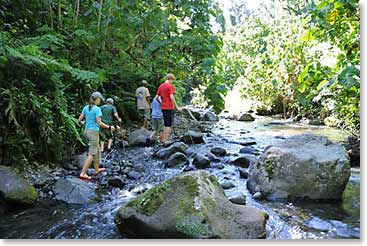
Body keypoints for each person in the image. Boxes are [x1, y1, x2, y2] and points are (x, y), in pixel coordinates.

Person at [77, 92, 115, 180]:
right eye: (99, 99)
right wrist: (109, 127)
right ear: (97, 99)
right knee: (92, 153)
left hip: (86, 131)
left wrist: (83, 123)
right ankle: (83, 173)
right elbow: (99, 123)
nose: (100, 101)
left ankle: (96, 169)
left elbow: (79, 121)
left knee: (97, 149)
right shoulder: (97, 109)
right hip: (93, 132)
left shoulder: (86, 108)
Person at [155, 73, 181, 146]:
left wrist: (162, 103)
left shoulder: (161, 86)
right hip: (169, 107)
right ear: (170, 79)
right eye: (172, 80)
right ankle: (166, 141)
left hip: (163, 107)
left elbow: (156, 97)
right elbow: (172, 97)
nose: (172, 81)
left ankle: (163, 140)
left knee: (165, 124)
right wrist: (177, 107)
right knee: (169, 125)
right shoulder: (170, 86)